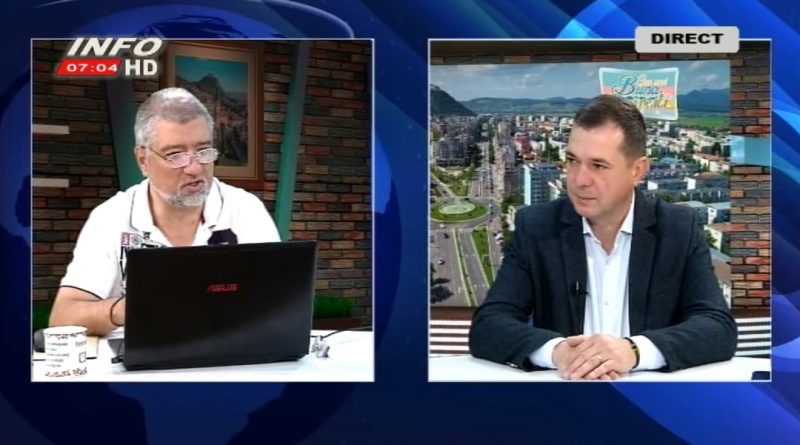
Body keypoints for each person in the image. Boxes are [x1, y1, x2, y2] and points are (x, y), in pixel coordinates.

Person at [469, 94, 737, 380]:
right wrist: (557, 352)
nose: (579, 180)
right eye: (572, 161)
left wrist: (634, 351)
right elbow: (488, 326)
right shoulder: (536, 227)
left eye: (598, 165)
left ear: (638, 171)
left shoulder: (678, 228)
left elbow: (717, 327)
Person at [49, 87, 280, 335]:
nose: (194, 168)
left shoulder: (245, 209)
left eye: (203, 151)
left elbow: (280, 301)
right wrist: (132, 308)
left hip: (228, 351)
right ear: (143, 160)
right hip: (137, 355)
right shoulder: (110, 218)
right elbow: (63, 317)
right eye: (176, 155)